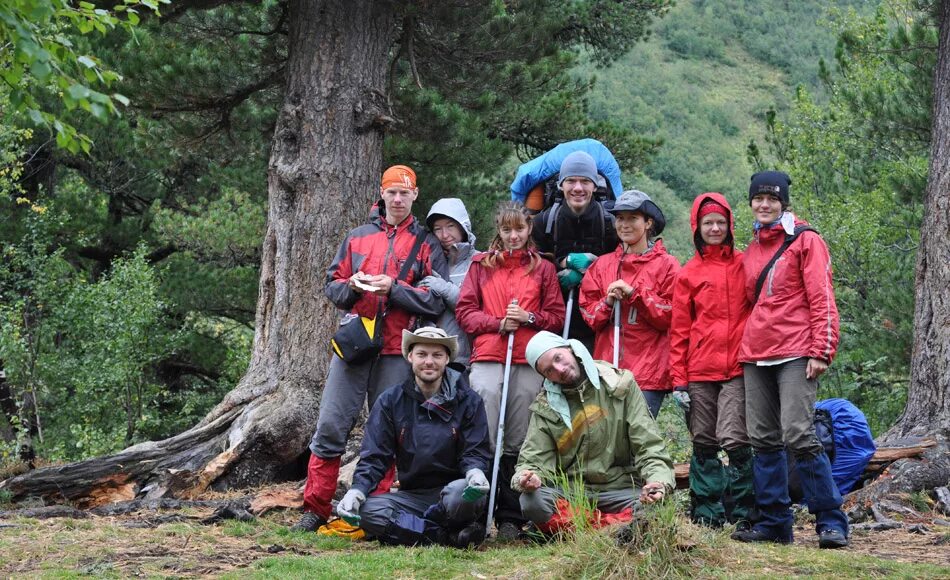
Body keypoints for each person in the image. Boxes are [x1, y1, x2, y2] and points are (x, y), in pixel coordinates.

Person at [292, 165, 448, 532]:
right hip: (354, 342)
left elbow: (435, 301)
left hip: (398, 347)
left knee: (384, 432)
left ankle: (371, 511)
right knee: (330, 424)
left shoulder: (426, 243)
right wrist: (356, 288)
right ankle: (315, 508)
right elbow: (333, 286)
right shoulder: (357, 236)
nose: (397, 199)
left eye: (404, 193)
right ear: (382, 193)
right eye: (391, 192)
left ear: (414, 195)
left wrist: (393, 288)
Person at [730, 171, 849, 549]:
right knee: (763, 439)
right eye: (758, 199)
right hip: (755, 353)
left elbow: (822, 296)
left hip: (797, 350)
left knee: (799, 432)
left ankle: (831, 521)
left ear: (783, 202)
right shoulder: (752, 248)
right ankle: (775, 523)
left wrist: (822, 349)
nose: (764, 204)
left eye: (771, 198)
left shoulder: (805, 241)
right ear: (750, 202)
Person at [455, 201, 566, 540]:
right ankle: (475, 513)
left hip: (528, 359)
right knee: (484, 435)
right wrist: (498, 322)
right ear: (499, 231)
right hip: (489, 355)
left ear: (529, 229)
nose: (514, 236)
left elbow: (557, 317)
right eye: (507, 230)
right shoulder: (480, 266)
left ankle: (510, 516)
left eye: (520, 229)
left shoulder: (542, 268)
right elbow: (465, 312)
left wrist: (529, 319)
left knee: (519, 439)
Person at [335, 327, 492, 548]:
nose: (429, 362)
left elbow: (475, 450)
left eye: (437, 355)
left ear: (447, 359)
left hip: (455, 491)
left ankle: (416, 531)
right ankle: (445, 537)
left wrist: (475, 472)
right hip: (412, 496)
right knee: (368, 511)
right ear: (410, 357)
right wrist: (357, 491)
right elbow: (375, 456)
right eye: (422, 354)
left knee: (461, 495)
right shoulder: (390, 400)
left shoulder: (469, 400)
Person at [512, 331, 675, 534]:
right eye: (549, 370)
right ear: (546, 378)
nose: (559, 369)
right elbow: (532, 461)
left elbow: (649, 445)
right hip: (573, 493)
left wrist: (658, 482)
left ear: (570, 349)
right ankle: (616, 529)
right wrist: (528, 478)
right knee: (531, 501)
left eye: (558, 358)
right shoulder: (546, 407)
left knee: (655, 503)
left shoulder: (620, 386)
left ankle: (577, 529)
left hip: (620, 489)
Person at [668, 193, 754, 529]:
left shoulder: (745, 264)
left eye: (720, 222)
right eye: (708, 223)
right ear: (697, 228)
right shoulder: (689, 273)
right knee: (703, 440)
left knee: (735, 438)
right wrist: (678, 379)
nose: (714, 228)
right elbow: (679, 330)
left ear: (730, 225)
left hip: (737, 367)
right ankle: (706, 513)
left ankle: (745, 512)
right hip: (699, 369)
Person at [578, 189, 679, 419]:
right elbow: (590, 317)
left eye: (632, 218)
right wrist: (607, 302)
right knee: (608, 443)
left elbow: (671, 316)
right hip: (606, 370)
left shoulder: (668, 265)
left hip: (649, 372)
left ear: (648, 223)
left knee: (639, 441)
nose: (624, 224)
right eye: (620, 218)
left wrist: (636, 294)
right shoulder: (601, 265)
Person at [531, 150, 619, 351]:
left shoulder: (610, 224)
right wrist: (562, 265)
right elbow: (532, 267)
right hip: (554, 317)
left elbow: (621, 266)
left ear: (595, 185)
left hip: (598, 320)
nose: (578, 188)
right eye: (571, 181)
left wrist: (593, 269)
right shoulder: (543, 222)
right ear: (561, 185)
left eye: (585, 182)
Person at [418, 198, 478, 366]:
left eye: (450, 226)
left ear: (463, 226)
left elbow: (479, 309)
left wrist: (444, 289)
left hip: (464, 360)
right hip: (427, 360)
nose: (444, 235)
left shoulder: (481, 262)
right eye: (438, 229)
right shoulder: (424, 261)